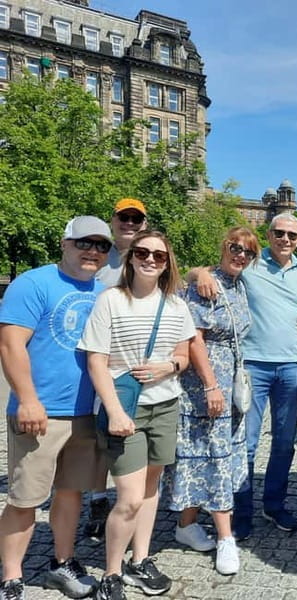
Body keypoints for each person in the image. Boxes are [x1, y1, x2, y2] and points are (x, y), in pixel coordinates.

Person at [0, 216, 112, 600]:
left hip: (85, 412)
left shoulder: (102, 292)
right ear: (65, 243)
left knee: (71, 493)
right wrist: (28, 399)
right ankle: (12, 577)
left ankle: (61, 563)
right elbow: (11, 345)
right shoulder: (33, 283)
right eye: (85, 243)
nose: (92, 251)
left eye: (101, 246)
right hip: (41, 412)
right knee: (24, 498)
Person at [80, 231, 196, 600]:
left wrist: (170, 367)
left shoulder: (176, 306)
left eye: (158, 256)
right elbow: (95, 360)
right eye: (143, 253)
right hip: (125, 409)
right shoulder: (111, 300)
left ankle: (139, 560)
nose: (150, 260)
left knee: (150, 491)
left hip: (165, 405)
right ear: (130, 258)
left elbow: (184, 354)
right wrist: (113, 410)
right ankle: (112, 572)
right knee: (128, 497)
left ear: (167, 264)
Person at [191, 213, 297, 538]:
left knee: (284, 443)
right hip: (252, 366)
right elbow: (205, 271)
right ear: (269, 234)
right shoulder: (252, 261)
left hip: (291, 364)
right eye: (280, 233)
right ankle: (241, 513)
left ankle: (275, 505)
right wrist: (199, 272)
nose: (286, 240)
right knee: (247, 443)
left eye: (292, 236)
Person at [162, 227, 260, 575]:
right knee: (216, 457)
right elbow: (194, 340)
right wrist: (210, 386)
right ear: (224, 247)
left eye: (248, 252)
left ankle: (186, 525)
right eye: (236, 248)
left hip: (229, 382)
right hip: (205, 384)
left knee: (211, 453)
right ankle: (225, 537)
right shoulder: (208, 285)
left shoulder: (239, 284)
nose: (241, 256)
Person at [87, 198, 149, 544]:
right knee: (99, 437)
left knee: (134, 431)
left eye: (135, 219)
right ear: (113, 221)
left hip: (137, 361)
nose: (129, 223)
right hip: (101, 356)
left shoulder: (150, 255)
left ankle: (135, 497)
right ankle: (97, 499)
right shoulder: (98, 255)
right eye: (123, 218)